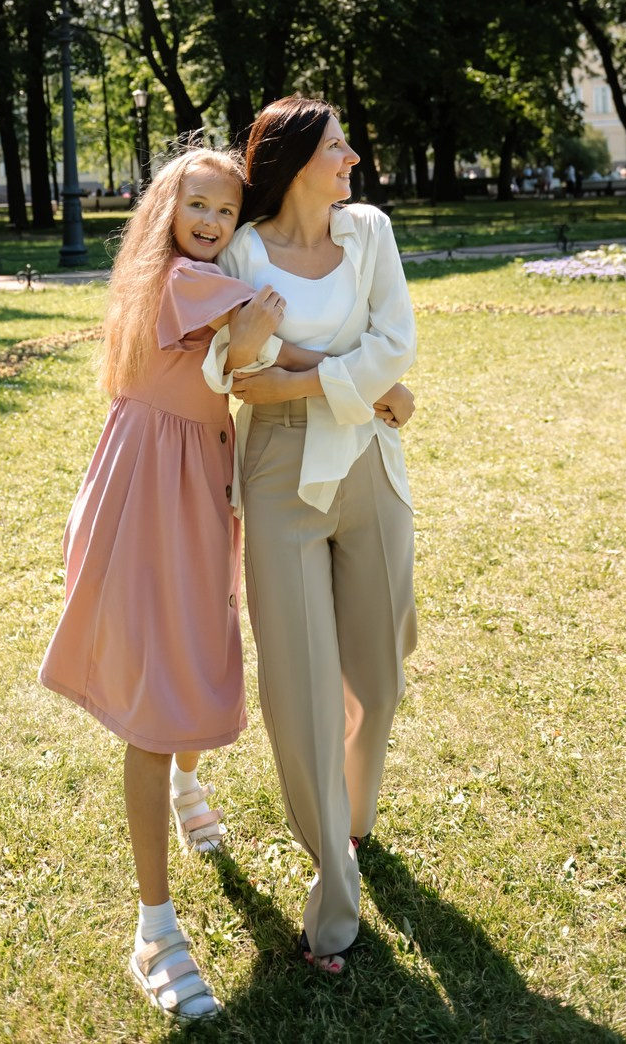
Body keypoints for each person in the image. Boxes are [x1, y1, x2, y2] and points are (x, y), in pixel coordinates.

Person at [37, 147, 298, 1022]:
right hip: (150, 500)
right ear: (167, 207)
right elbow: (272, 333)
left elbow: (250, 359)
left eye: (227, 212)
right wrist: (358, 374)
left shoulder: (190, 280)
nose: (214, 223)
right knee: (156, 696)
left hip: (185, 490)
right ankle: (154, 928)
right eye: (200, 205)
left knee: (195, 640)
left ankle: (188, 787)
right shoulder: (187, 281)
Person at [206, 97, 417, 975]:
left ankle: (355, 820)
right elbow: (233, 363)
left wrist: (302, 383)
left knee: (379, 673)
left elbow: (394, 343)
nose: (355, 158)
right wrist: (348, 380)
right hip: (282, 477)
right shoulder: (246, 251)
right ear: (296, 163)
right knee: (300, 694)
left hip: (369, 458)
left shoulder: (369, 231)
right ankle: (334, 897)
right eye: (338, 148)